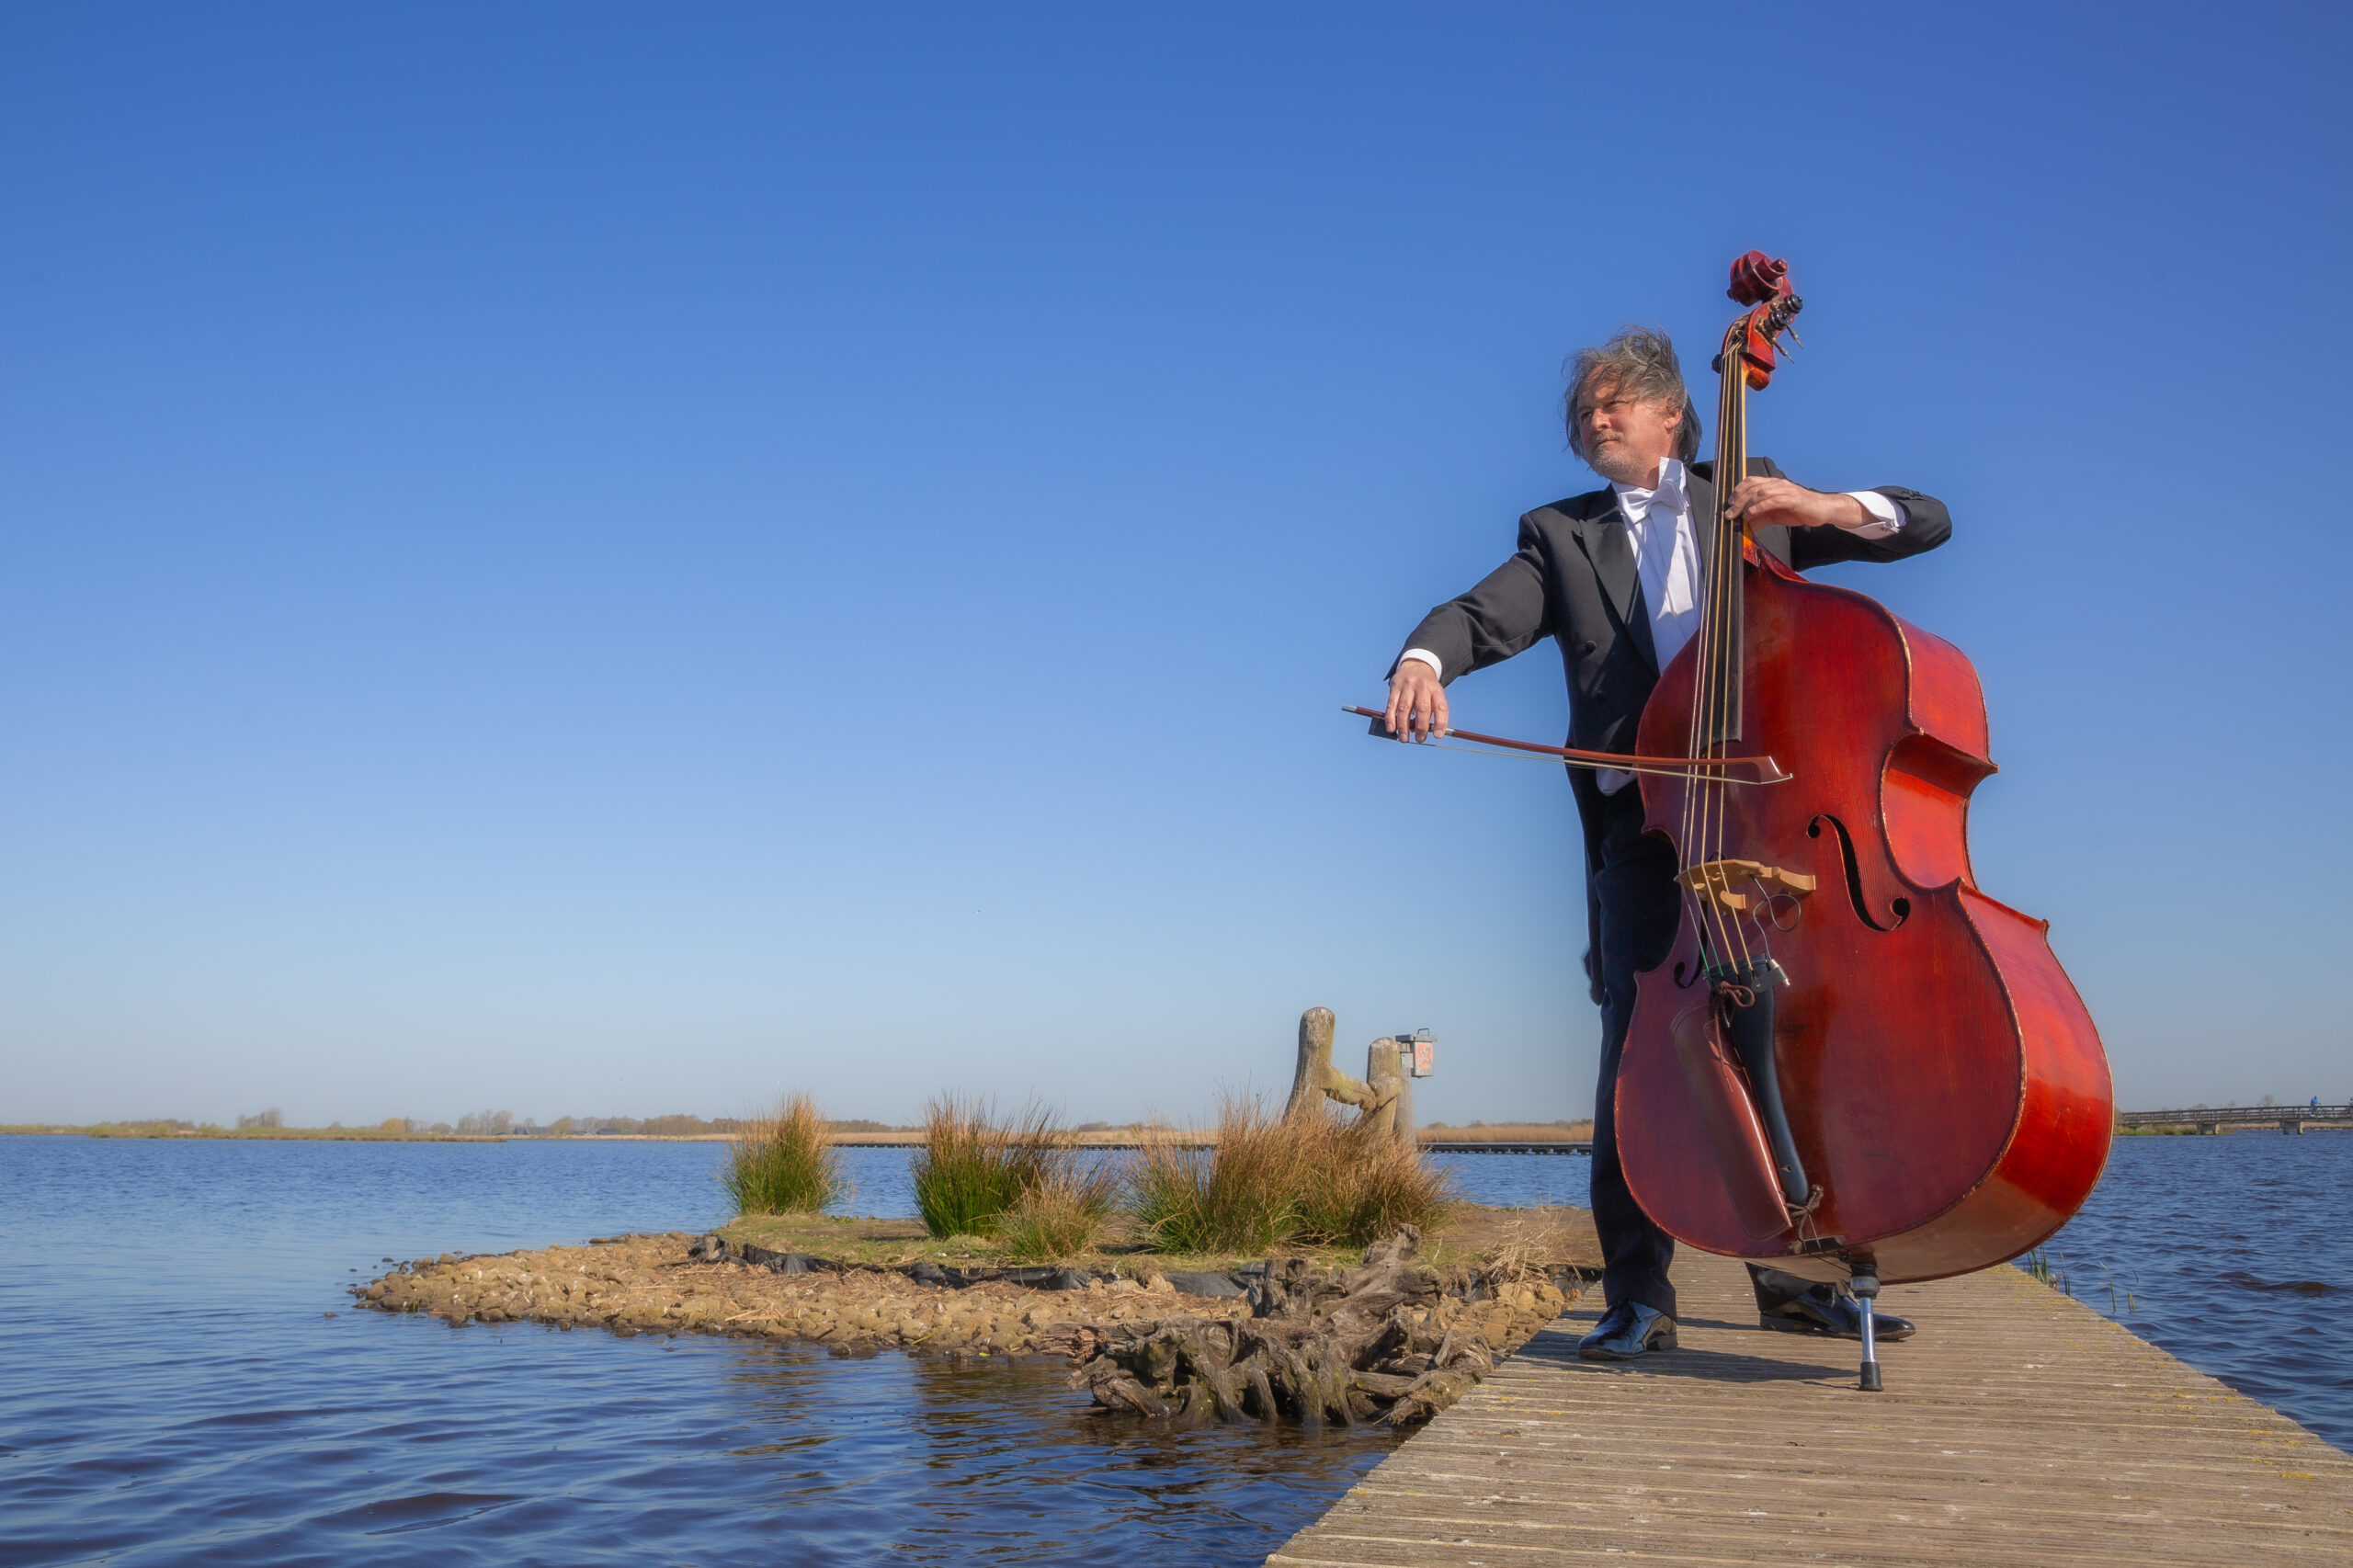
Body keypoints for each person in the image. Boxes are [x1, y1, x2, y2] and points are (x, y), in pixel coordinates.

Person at [1381, 327, 1947, 1360]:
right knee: (1639, 1057)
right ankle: (1638, 1295)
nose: (1594, 417)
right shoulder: (1561, 535)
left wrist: (1821, 508)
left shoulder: (1753, 494)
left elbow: (1927, 519)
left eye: (1614, 401)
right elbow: (1477, 614)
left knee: (1790, 1045)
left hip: (1772, 822)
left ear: (1672, 414)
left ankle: (1800, 1277)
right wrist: (1423, 660)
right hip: (1645, 833)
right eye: (1584, 408)